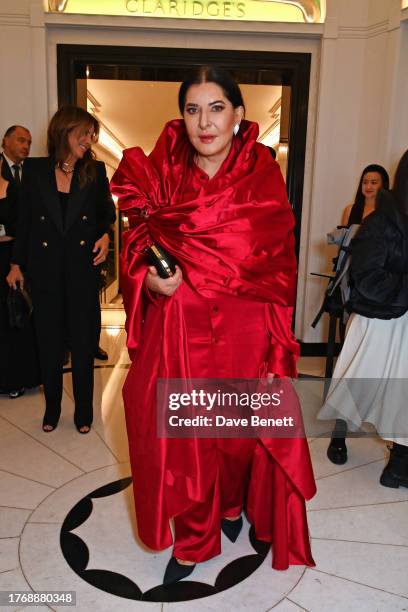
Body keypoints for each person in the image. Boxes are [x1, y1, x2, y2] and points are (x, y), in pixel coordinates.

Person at [111, 66, 316, 584]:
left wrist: (277, 350)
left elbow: (278, 270)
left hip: (248, 329)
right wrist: (147, 281)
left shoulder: (263, 175)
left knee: (241, 437)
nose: (205, 122)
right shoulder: (163, 172)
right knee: (188, 436)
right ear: (182, 116)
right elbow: (136, 243)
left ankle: (234, 507)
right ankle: (196, 536)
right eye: (193, 109)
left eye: (216, 108)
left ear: (239, 115)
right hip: (182, 324)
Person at [7, 106, 116, 433]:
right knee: (49, 344)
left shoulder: (94, 171)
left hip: (82, 271)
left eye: (91, 134)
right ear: (63, 133)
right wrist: (15, 263)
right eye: (82, 132)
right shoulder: (35, 170)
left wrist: (107, 237)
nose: (88, 139)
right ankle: (52, 407)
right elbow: (24, 222)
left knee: (83, 343)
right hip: (45, 272)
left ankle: (84, 409)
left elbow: (105, 215)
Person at [319, 150, 408, 487]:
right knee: (357, 383)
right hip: (379, 320)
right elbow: (367, 277)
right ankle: (339, 435)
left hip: (404, 321)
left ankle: (398, 463)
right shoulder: (381, 221)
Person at [0, 126, 40, 398]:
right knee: (7, 315)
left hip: (28, 253)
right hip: (3, 253)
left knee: (27, 312)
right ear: (5, 141)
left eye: (29, 141)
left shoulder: (35, 172)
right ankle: (10, 379)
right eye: (21, 140)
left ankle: (29, 376)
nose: (26, 145)